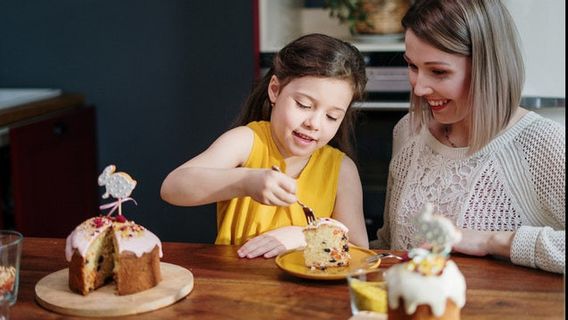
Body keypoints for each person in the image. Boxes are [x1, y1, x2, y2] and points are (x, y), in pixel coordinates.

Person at [373, 0, 565, 273]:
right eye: (412, 66)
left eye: (438, 72)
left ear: (488, 68)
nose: (419, 88)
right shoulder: (408, 131)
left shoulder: (542, 144)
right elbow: (389, 244)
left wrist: (494, 241)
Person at [161, 33, 369, 259]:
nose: (314, 124)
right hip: (238, 283)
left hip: (309, 292)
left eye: (331, 116)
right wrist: (246, 181)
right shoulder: (247, 141)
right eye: (303, 105)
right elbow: (172, 188)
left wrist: (306, 235)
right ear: (275, 91)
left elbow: (360, 248)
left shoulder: (341, 170)